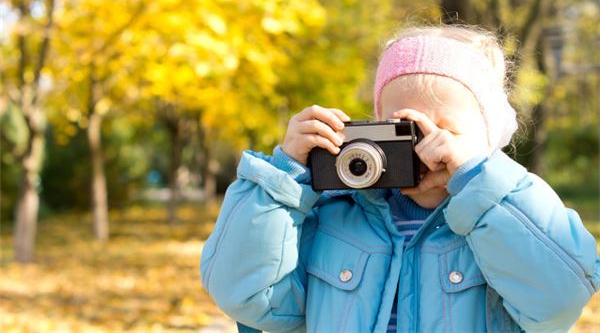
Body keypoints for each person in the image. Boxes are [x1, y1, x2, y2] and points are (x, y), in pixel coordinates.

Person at [200, 25, 600, 332]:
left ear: (489, 139)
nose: (423, 148)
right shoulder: (334, 216)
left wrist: (479, 184)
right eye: (402, 130)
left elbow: (558, 301)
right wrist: (282, 180)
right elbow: (247, 297)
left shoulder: (510, 216)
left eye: (444, 130)